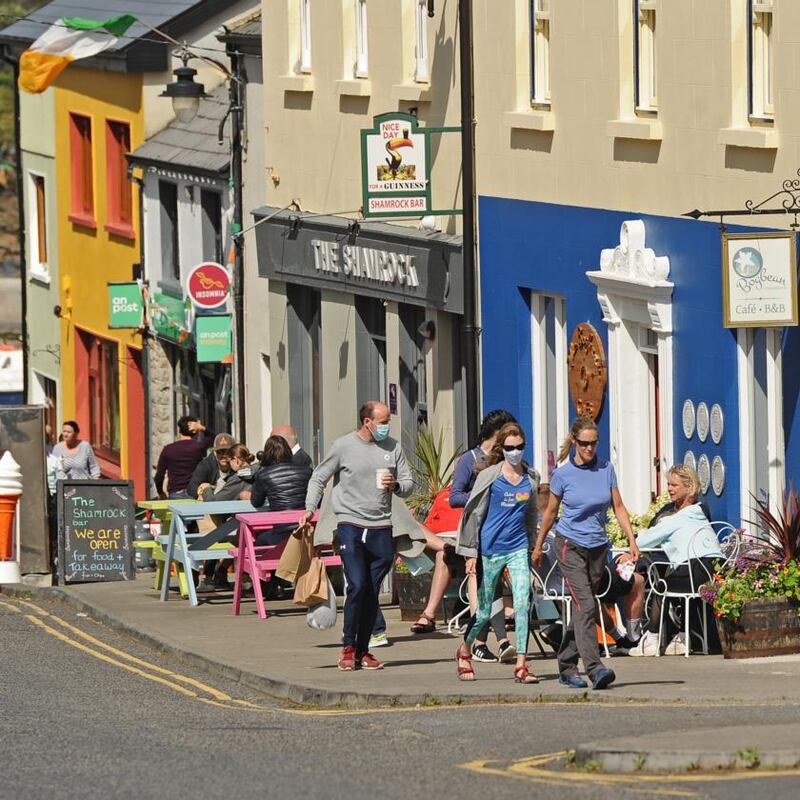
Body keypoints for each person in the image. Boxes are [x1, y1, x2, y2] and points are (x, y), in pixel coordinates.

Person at [299, 400, 413, 672]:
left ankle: (363, 650)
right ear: (367, 421)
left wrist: (396, 485)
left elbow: (408, 484)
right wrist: (309, 509)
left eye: (388, 422)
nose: (387, 427)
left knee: (371, 592)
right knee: (358, 586)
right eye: (383, 422)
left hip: (382, 527)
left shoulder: (393, 447)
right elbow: (319, 477)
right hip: (351, 524)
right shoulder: (344, 446)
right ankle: (348, 647)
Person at [533, 417, 639, 690]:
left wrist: (632, 541)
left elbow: (619, 507)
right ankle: (595, 669)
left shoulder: (606, 469)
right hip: (570, 546)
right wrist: (537, 547)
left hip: (598, 548)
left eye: (594, 443)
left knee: (583, 608)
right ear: (575, 442)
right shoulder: (563, 475)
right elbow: (551, 513)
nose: (589, 449)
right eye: (584, 444)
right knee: (587, 605)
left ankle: (566, 666)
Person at [454, 422, 541, 684]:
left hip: (517, 548)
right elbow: (472, 514)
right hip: (490, 549)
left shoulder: (531, 478)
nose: (516, 452)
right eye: (510, 447)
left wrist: (533, 545)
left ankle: (522, 665)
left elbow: (532, 513)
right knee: (482, 612)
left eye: (520, 447)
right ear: (502, 448)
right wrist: (470, 552)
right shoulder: (490, 476)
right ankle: (464, 650)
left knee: (523, 603)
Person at [431, 409, 516, 662]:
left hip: (503, 531)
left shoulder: (507, 458)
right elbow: (455, 496)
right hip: (477, 532)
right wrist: (483, 496)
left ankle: (482, 644)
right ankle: (493, 643)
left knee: (493, 587)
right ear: (498, 433)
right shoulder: (469, 459)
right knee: (488, 587)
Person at [629, 465, 722, 657]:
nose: (670, 489)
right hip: (716, 570)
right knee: (684, 585)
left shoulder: (675, 519)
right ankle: (683, 637)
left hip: (695, 568)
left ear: (689, 487)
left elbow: (641, 542)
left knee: (661, 586)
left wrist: (631, 548)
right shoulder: (700, 513)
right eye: (668, 484)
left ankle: (652, 640)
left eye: (674, 485)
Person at [250, 435, 313, 545]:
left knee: (257, 540)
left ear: (267, 454)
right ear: (288, 451)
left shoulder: (264, 475)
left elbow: (256, 502)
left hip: (281, 533)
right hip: (307, 530)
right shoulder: (307, 471)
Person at [154, 416, 214, 499]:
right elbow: (213, 437)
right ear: (194, 431)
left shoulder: (168, 449)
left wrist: (160, 492)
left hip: (175, 493)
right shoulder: (198, 447)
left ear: (179, 430)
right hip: (194, 491)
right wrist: (202, 428)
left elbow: (159, 476)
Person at [186, 433, 234, 500]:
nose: (224, 456)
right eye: (219, 452)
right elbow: (192, 488)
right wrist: (201, 492)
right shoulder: (206, 465)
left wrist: (211, 487)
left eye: (228, 452)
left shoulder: (238, 465)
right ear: (214, 452)